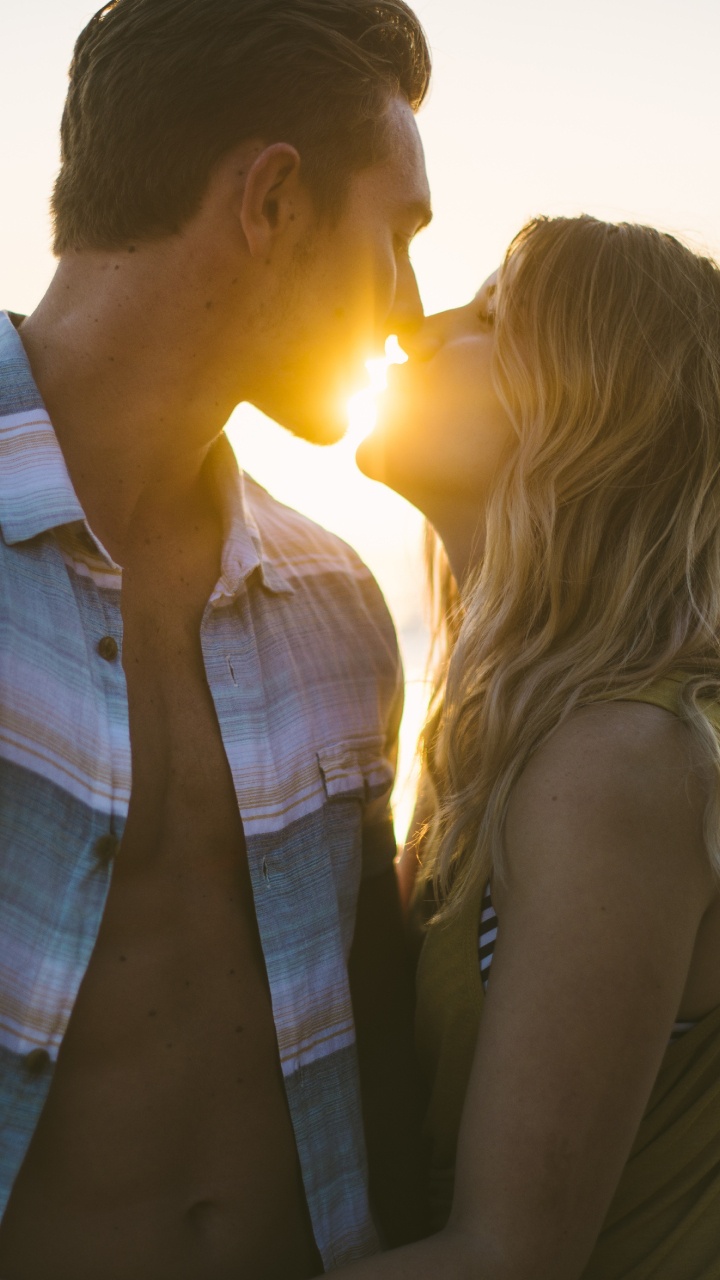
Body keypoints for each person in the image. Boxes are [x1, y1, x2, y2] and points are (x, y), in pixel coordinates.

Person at [0, 1, 434, 1276]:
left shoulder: (337, 602)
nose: (409, 305)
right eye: (398, 235)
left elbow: (381, 1035)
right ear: (274, 203)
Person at [325, 215, 720, 1279]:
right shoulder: (509, 733)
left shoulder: (621, 760)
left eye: (492, 318)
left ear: (590, 409)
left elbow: (504, 1257)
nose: (422, 325)